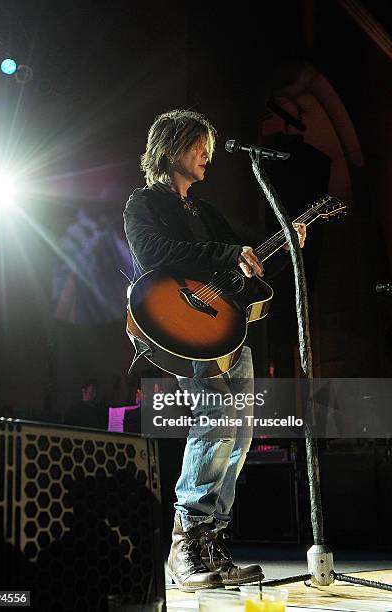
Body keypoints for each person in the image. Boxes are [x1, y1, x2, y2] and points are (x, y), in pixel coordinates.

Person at [124, 109, 306, 592]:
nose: (207, 155)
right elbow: (152, 253)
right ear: (169, 149)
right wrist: (228, 255)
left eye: (207, 145)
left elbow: (244, 262)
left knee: (242, 430)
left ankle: (211, 540)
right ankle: (184, 535)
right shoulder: (142, 204)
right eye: (197, 145)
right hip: (183, 324)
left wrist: (281, 249)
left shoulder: (205, 211)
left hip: (228, 329)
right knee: (218, 415)